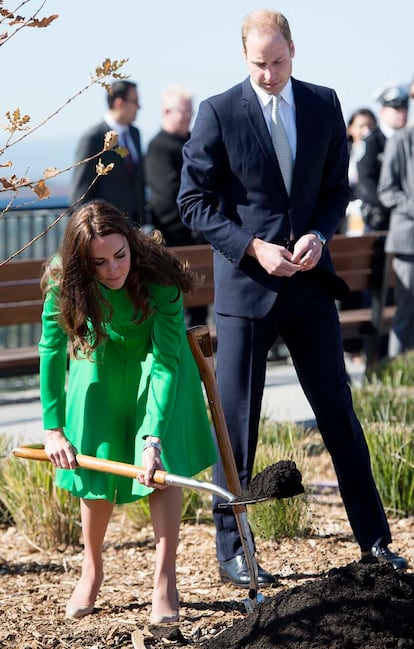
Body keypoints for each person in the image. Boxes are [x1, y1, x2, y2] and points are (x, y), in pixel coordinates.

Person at [178, 8, 408, 588]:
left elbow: (337, 191)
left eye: (277, 62)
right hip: (246, 291)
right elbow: (193, 201)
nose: (269, 74)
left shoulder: (324, 103)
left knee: (339, 415)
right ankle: (234, 553)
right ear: (244, 57)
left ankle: (375, 542)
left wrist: (318, 234)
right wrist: (253, 247)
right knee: (237, 428)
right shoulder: (218, 111)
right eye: (259, 64)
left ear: (293, 51)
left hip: (309, 286)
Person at [39, 199, 216, 622]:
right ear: (82, 264)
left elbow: (168, 361)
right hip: (97, 361)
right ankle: (91, 567)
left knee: (161, 463)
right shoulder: (64, 281)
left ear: (131, 245)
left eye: (120, 255)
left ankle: (164, 579)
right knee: (94, 460)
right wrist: (53, 429)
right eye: (99, 263)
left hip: (156, 366)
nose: (114, 269)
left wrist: (152, 437)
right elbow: (49, 349)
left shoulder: (160, 278)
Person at [146, 84, 207, 327]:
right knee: (178, 307)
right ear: (166, 112)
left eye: (190, 111)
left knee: (200, 309)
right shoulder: (158, 147)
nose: (187, 117)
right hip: (176, 238)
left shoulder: (194, 142)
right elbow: (167, 196)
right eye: (183, 111)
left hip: (199, 236)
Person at [70, 80, 148, 227]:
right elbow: (80, 193)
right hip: (107, 230)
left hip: (134, 230)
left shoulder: (134, 134)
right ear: (119, 103)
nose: (139, 107)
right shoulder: (93, 138)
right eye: (135, 101)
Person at [378, 123, 414, 357]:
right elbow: (386, 190)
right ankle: (397, 372)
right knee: (406, 311)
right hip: (407, 242)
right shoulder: (400, 139)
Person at [356, 84, 409, 232]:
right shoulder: (371, 142)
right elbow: (365, 182)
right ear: (383, 111)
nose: (402, 113)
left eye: (405, 108)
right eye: (397, 109)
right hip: (381, 222)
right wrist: (393, 207)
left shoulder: (409, 141)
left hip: (407, 220)